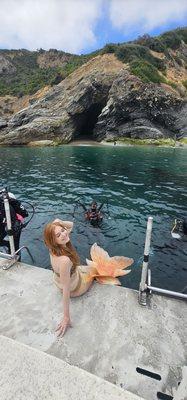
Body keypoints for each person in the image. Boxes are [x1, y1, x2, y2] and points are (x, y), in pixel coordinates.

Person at [44, 218, 134, 337]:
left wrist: (57, 226)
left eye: (62, 230)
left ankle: (83, 272)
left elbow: (70, 225)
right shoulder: (65, 261)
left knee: (84, 267)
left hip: (62, 279)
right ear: (53, 240)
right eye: (58, 234)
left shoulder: (52, 247)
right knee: (95, 269)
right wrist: (66, 317)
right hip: (74, 287)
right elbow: (66, 290)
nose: (64, 233)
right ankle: (102, 276)